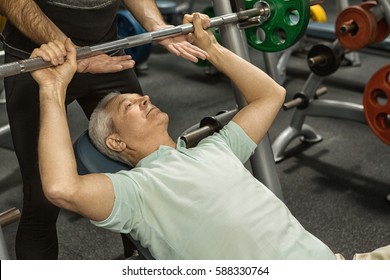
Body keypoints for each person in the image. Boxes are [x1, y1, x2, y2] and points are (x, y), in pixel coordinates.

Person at [29, 12, 344, 260]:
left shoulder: (217, 147)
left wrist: (212, 49)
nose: (145, 98)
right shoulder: (135, 193)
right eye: (130, 106)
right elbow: (62, 188)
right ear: (116, 142)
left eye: (140, 98)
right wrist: (52, 90)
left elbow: (271, 94)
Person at [0, 0, 208, 259]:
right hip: (39, 61)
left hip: (104, 53)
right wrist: (72, 52)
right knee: (42, 197)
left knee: (148, 170)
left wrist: (157, 27)